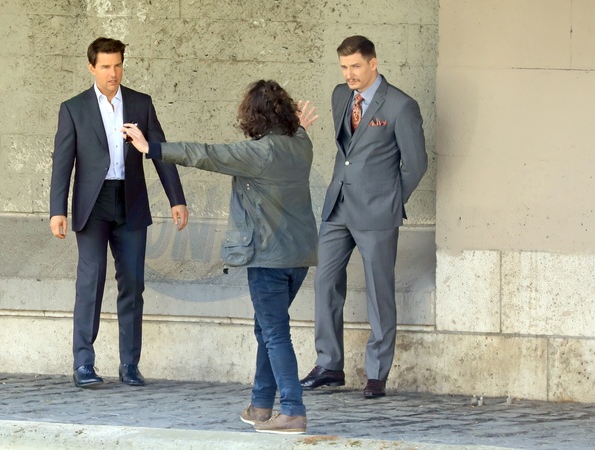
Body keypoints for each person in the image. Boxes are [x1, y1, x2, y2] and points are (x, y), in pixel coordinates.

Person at [123, 80, 318, 434]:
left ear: (253, 116)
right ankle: (261, 405)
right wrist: (300, 126)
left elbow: (206, 154)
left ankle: (292, 410)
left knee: (275, 333)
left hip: (268, 258)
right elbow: (297, 135)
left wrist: (151, 148)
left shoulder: (259, 153)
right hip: (299, 257)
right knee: (267, 328)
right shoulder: (301, 145)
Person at [49, 37, 189, 389]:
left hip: (131, 201)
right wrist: (57, 210)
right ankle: (83, 364)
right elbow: (62, 162)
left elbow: (158, 151)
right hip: (92, 205)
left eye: (118, 65)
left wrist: (177, 198)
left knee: (132, 284)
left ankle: (130, 364)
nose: (113, 73)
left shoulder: (141, 103)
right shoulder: (74, 108)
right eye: (106, 66)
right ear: (92, 68)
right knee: (90, 282)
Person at [299, 35, 428, 399]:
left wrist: (389, 202)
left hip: (377, 213)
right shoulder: (341, 96)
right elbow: (348, 152)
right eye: (343, 67)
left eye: (355, 66)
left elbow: (416, 164)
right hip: (338, 206)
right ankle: (329, 365)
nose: (349, 74)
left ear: (373, 63)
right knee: (325, 282)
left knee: (378, 291)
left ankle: (376, 373)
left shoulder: (401, 105)